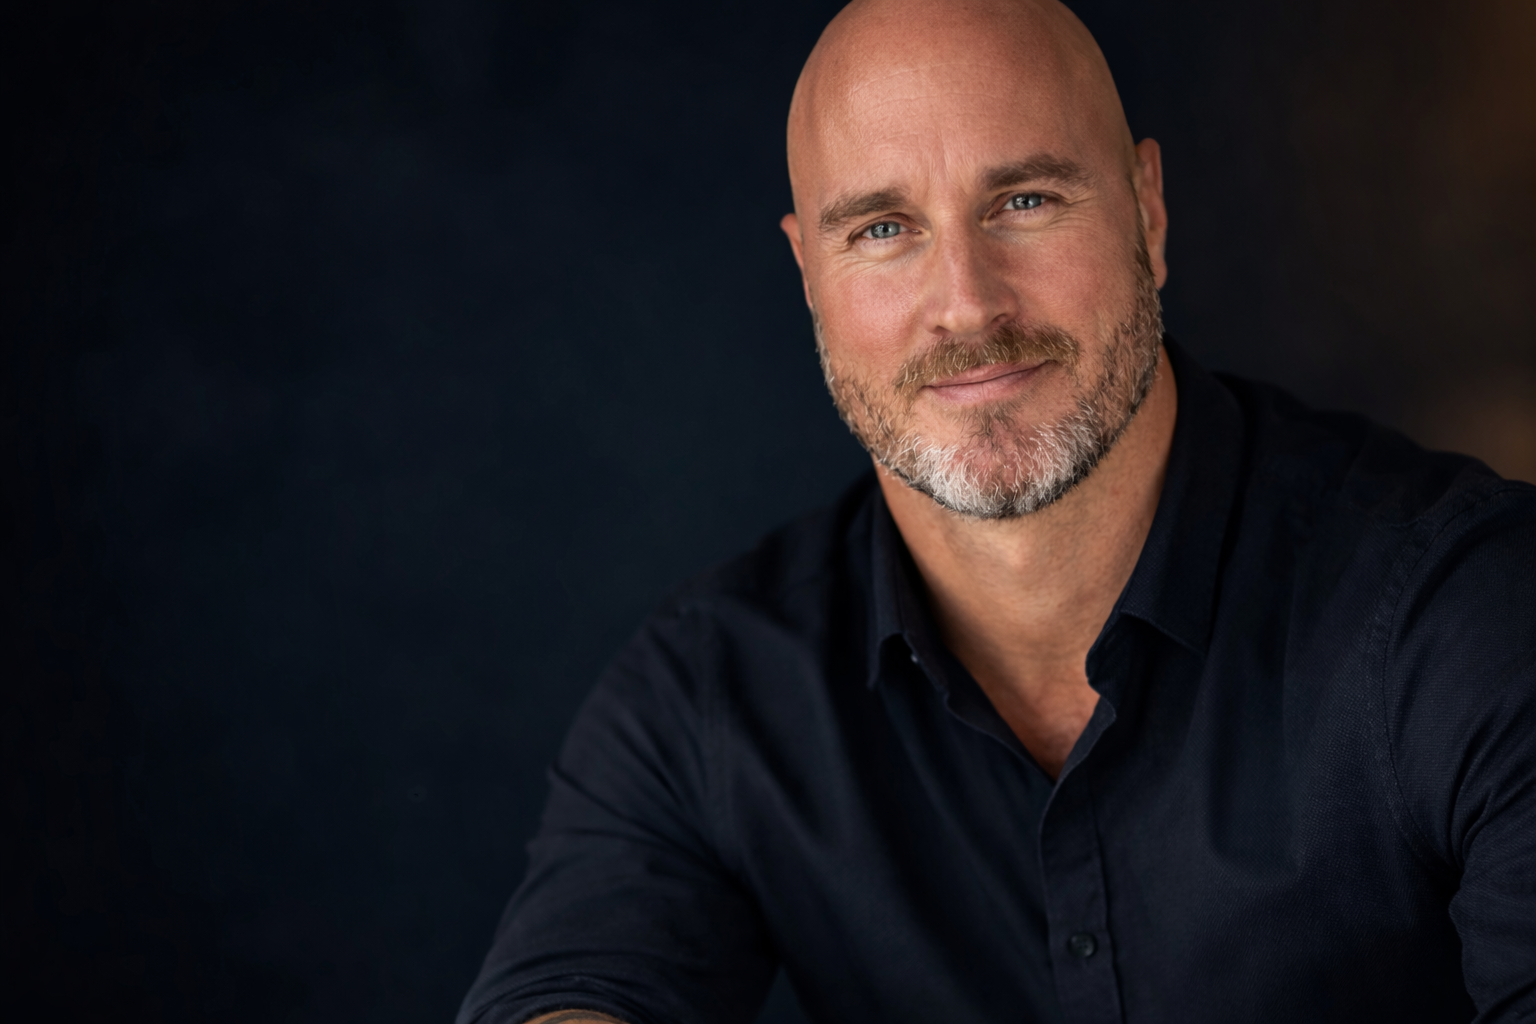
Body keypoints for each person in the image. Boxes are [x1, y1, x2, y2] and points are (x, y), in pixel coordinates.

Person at [458, 0, 1536, 1020]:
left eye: (1025, 200)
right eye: (884, 228)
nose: (968, 304)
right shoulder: (710, 694)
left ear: (1148, 211)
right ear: (808, 274)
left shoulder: (1471, 611)